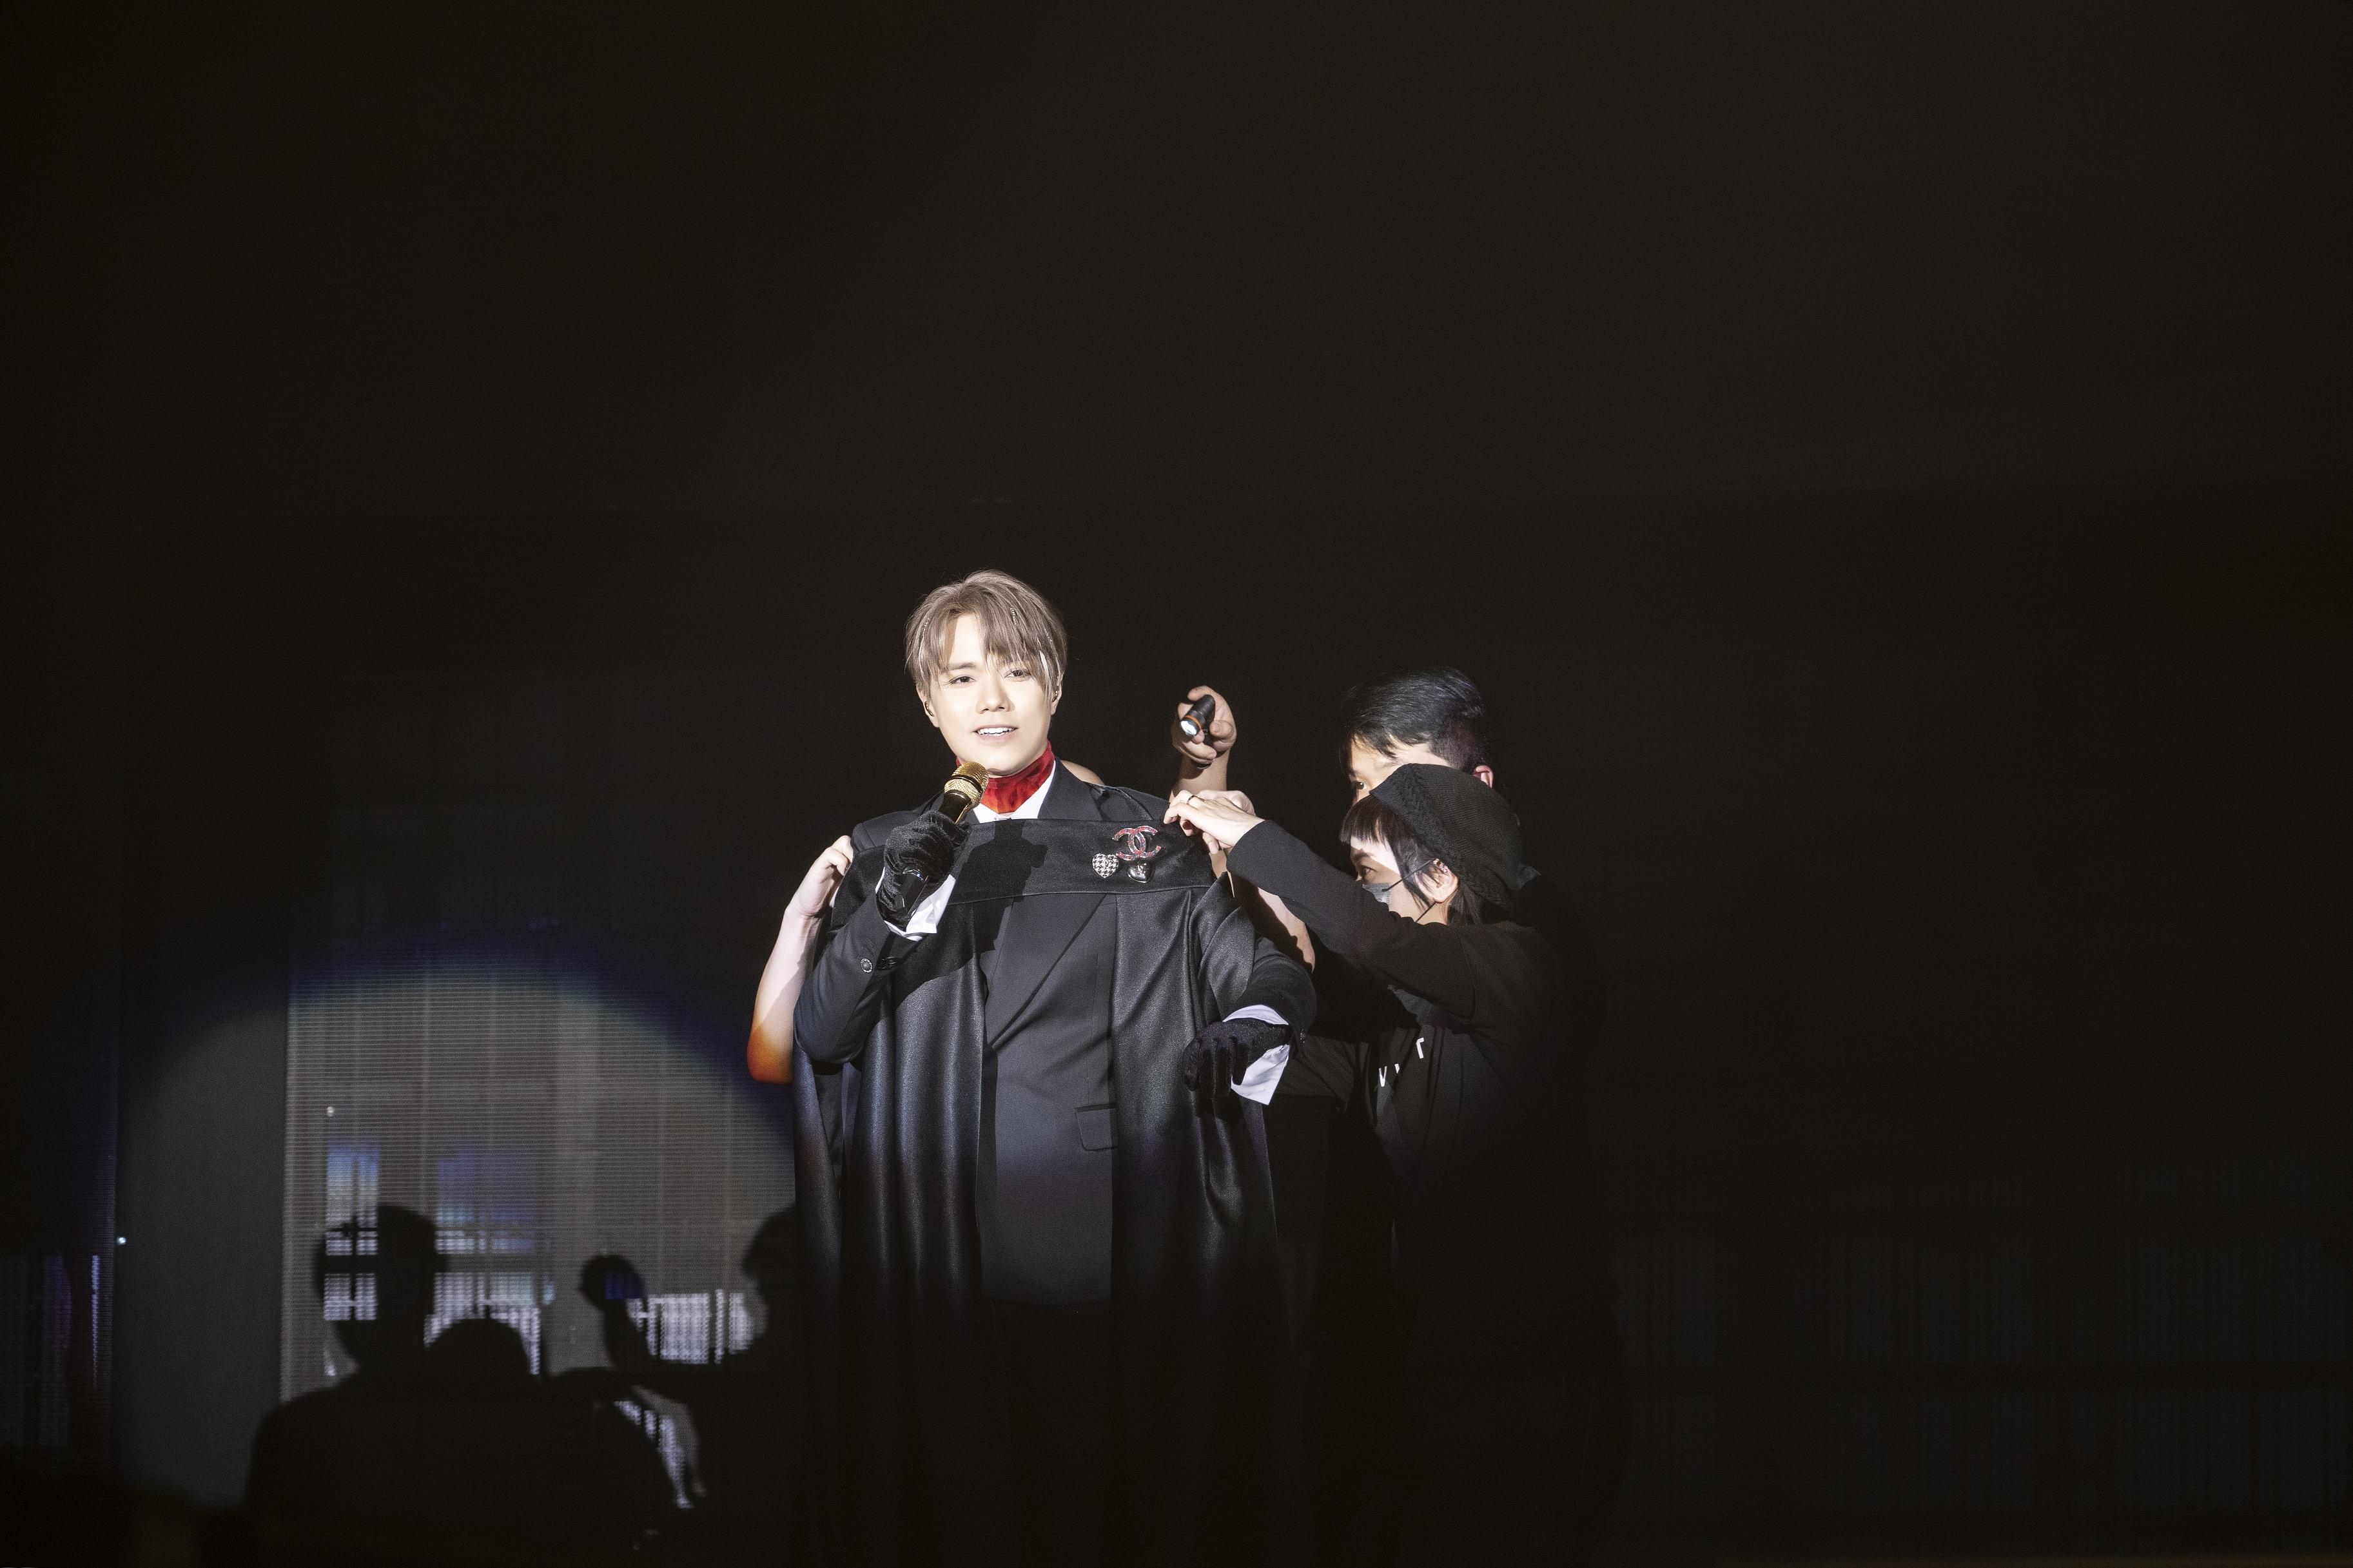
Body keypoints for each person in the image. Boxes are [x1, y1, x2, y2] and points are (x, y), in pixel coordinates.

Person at [785, 570, 1315, 1568]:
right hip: (930, 1259)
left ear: (1057, 684)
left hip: (1095, 1260)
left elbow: (1263, 971)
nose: (991, 699)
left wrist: (1252, 1022)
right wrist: (889, 910)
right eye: (962, 678)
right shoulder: (886, 851)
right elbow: (822, 1037)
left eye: (1017, 671)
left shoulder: (1141, 838)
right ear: (927, 699)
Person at [1166, 754, 1626, 1565]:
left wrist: (1254, 836)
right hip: (1446, 1359)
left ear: (1440, 876)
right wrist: (1224, 1042)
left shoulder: (1516, 967)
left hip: (1533, 1368)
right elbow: (1296, 1065)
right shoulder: (1400, 1033)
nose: (1363, 894)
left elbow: (1369, 936)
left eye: (1371, 877)